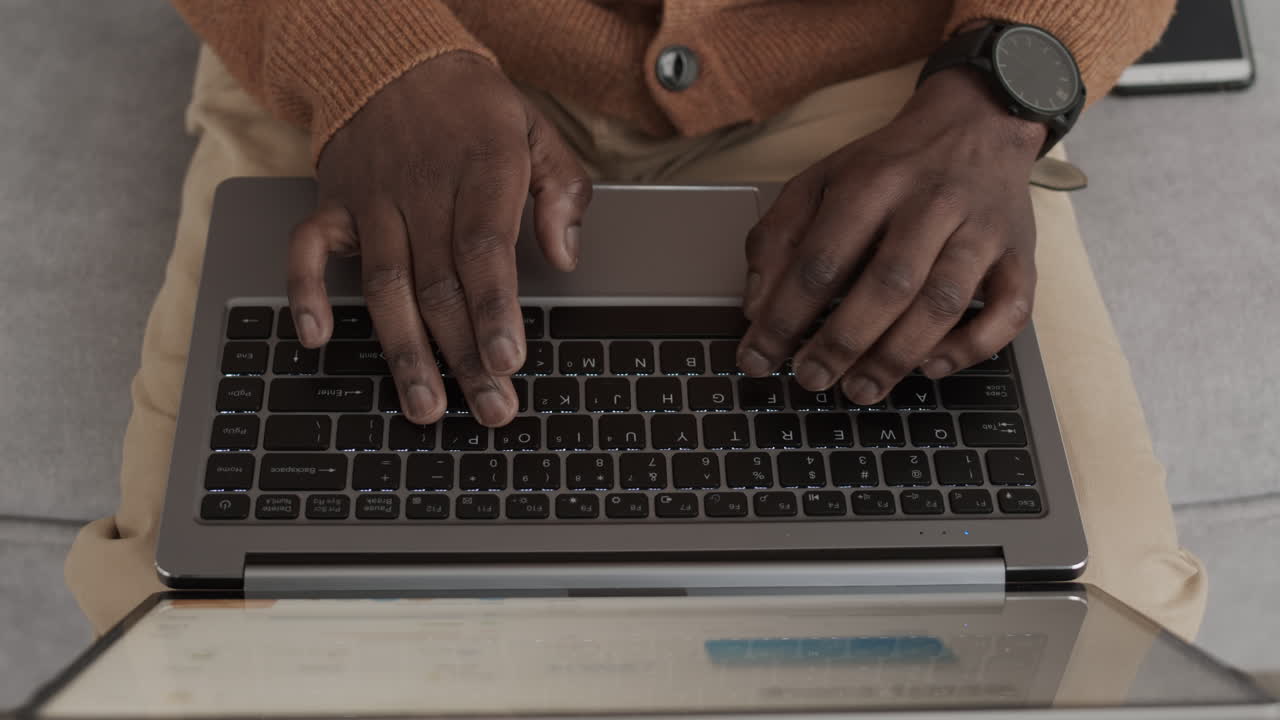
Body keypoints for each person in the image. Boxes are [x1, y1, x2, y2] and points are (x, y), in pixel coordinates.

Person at [67, 1, 1208, 640]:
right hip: (392, 59)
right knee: (186, 642)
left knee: (1098, 632)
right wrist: (364, 60)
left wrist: (1003, 92)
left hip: (893, 85)